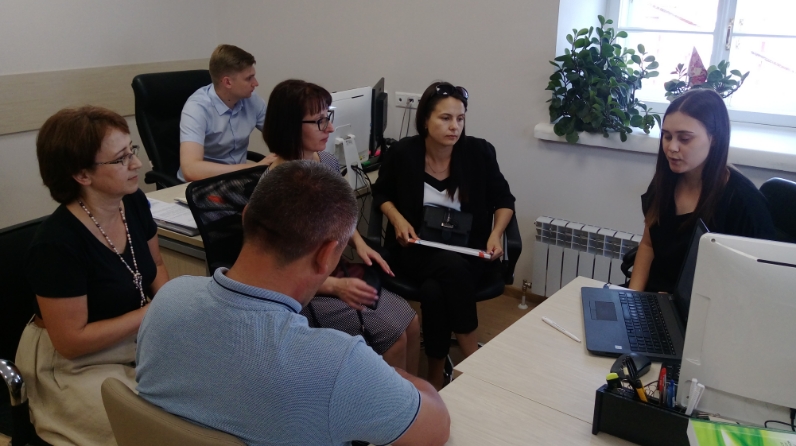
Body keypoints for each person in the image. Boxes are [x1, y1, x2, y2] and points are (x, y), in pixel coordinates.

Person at [136, 161, 450, 446]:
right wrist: (385, 376)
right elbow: (435, 428)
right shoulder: (338, 364)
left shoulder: (168, 301)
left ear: (246, 217)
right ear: (326, 255)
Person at [17, 106, 169, 446]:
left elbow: (156, 266)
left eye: (132, 150)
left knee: (203, 396)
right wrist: (154, 312)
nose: (137, 164)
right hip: (72, 365)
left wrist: (174, 312)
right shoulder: (56, 244)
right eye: (121, 159)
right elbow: (71, 342)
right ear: (82, 175)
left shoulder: (133, 202)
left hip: (133, 338)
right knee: (149, 430)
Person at [263, 79, 420, 375]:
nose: (331, 128)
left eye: (329, 117)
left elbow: (338, 216)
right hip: (304, 291)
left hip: (332, 272)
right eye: (320, 121)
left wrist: (359, 244)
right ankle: (391, 402)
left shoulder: (325, 162)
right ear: (290, 126)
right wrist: (335, 287)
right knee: (393, 338)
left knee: (411, 322)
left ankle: (416, 396)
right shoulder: (277, 189)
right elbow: (277, 272)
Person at [371, 81, 516, 389]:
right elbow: (381, 193)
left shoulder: (478, 153)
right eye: (445, 118)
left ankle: (435, 374)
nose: (455, 127)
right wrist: (397, 219)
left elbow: (504, 200)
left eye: (460, 119)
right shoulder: (404, 153)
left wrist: (496, 234)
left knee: (436, 289)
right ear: (425, 120)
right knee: (448, 270)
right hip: (415, 249)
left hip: (468, 251)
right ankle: (475, 361)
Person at [629, 89, 776, 293]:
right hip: (655, 300)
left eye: (684, 139)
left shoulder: (743, 202)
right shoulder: (666, 180)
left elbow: (755, 283)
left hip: (707, 306)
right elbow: (648, 245)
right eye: (667, 136)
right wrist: (631, 296)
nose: (672, 147)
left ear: (713, 138)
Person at [178, 44, 275, 181]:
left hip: (238, 180)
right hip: (202, 183)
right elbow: (191, 169)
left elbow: (280, 134)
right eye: (249, 78)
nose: (256, 83)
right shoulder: (197, 108)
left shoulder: (252, 99)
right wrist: (253, 168)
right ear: (227, 82)